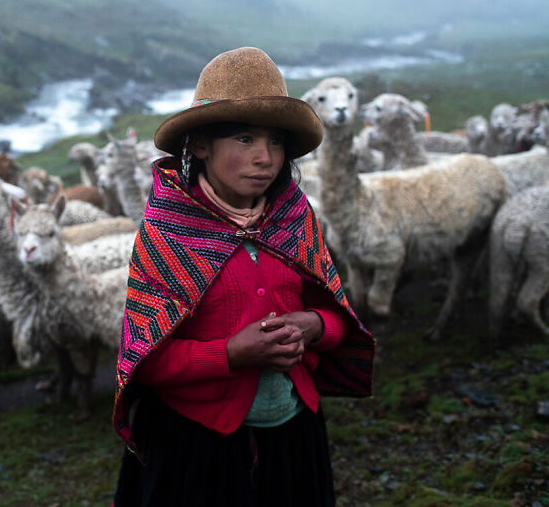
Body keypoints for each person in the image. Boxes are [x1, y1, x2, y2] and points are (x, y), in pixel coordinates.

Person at [112, 47, 376, 506]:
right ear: (199, 144)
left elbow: (335, 315)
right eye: (244, 139)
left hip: (293, 436)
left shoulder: (295, 219)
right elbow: (146, 360)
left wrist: (314, 326)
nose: (265, 158)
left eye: (275, 142)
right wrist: (231, 353)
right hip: (195, 448)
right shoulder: (167, 233)